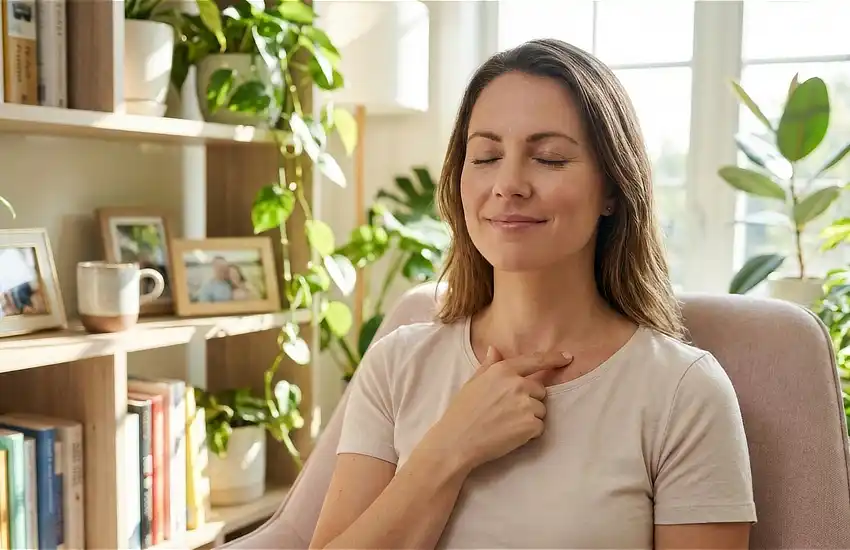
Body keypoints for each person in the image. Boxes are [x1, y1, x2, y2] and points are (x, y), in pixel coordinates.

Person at [310, 39, 756, 549]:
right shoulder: (396, 364)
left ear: (611, 188)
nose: (509, 183)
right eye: (486, 155)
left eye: (548, 158)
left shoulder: (683, 392)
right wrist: (449, 449)